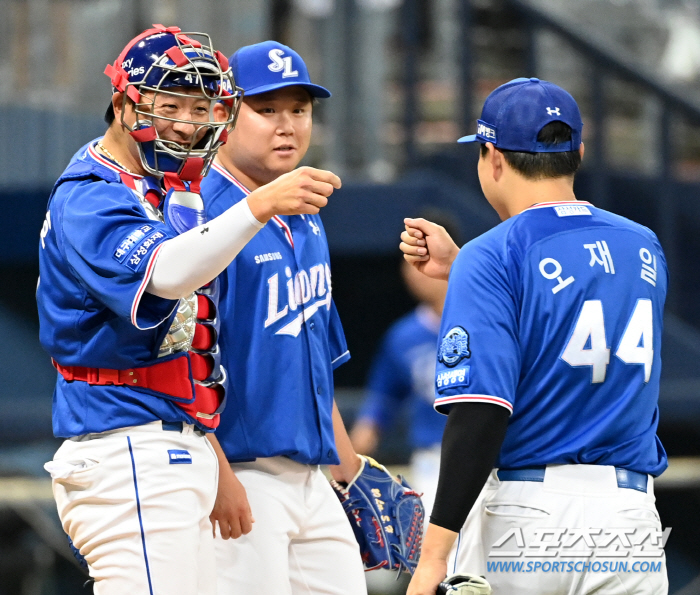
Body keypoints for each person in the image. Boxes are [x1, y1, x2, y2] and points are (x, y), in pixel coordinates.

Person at [38, 26, 339, 595]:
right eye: (169, 104)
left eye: (200, 108)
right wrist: (257, 207)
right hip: (124, 437)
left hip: (175, 439)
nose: (184, 122)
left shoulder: (165, 189)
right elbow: (167, 274)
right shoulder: (91, 190)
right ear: (125, 104)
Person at [401, 78, 669, 595]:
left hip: (529, 514)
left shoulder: (492, 254)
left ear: (494, 158)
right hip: (630, 517)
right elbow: (573, 303)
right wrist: (465, 271)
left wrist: (433, 557)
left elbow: (480, 412)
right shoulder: (644, 245)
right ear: (579, 154)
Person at [200, 41, 367, 594]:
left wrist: (349, 471)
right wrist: (218, 476)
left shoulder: (306, 212)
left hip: (313, 478)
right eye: (266, 108)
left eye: (299, 109)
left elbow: (316, 360)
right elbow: (183, 364)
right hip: (242, 473)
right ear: (225, 114)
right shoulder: (202, 212)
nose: (286, 125)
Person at [350, 213, 461, 518]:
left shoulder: (488, 320)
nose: (414, 272)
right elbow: (381, 402)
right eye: (407, 262)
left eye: (421, 259)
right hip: (433, 460)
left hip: (492, 454)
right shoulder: (403, 336)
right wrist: (353, 456)